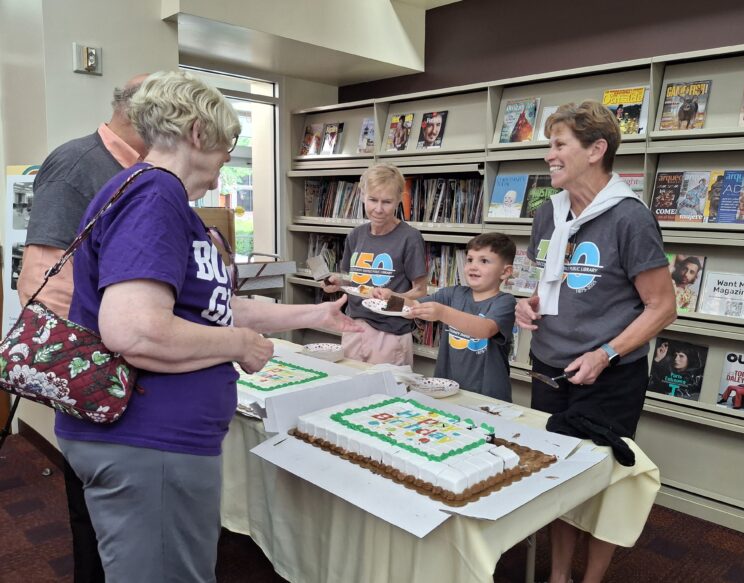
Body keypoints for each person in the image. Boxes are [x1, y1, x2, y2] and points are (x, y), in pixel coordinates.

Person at [54, 70, 361, 583]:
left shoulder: (149, 193)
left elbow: (210, 307)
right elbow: (135, 331)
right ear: (197, 133)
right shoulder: (155, 196)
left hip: (156, 442)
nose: (224, 164)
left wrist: (315, 316)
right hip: (149, 442)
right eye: (227, 145)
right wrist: (239, 345)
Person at [514, 100, 677, 583]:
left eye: (560, 144)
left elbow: (662, 306)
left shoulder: (630, 218)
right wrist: (529, 303)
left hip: (609, 377)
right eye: (550, 144)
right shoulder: (549, 213)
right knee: (558, 476)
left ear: (596, 149)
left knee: (605, 481)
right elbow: (546, 282)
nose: (549, 155)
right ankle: (559, 576)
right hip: (550, 367)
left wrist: (606, 353)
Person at [17, 73, 149, 583]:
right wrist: (117, 338)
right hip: (96, 373)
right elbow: (41, 284)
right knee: (95, 514)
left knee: (121, 514)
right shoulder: (78, 164)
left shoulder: (140, 172)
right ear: (145, 115)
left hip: (127, 367)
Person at [323, 163, 427, 365]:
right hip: (354, 326)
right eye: (372, 200)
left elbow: (421, 291)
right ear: (362, 195)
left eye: (387, 202)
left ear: (398, 200)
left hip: (390, 333)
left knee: (387, 394)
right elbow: (356, 283)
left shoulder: (409, 238)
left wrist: (393, 297)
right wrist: (338, 283)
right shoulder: (356, 235)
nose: (378, 209)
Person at [401, 233, 516, 401]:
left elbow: (485, 329)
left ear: (505, 272)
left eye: (484, 261)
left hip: (488, 397)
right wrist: (390, 297)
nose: (473, 266)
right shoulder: (452, 293)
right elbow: (413, 305)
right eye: (470, 260)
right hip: (447, 389)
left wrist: (442, 312)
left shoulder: (505, 302)